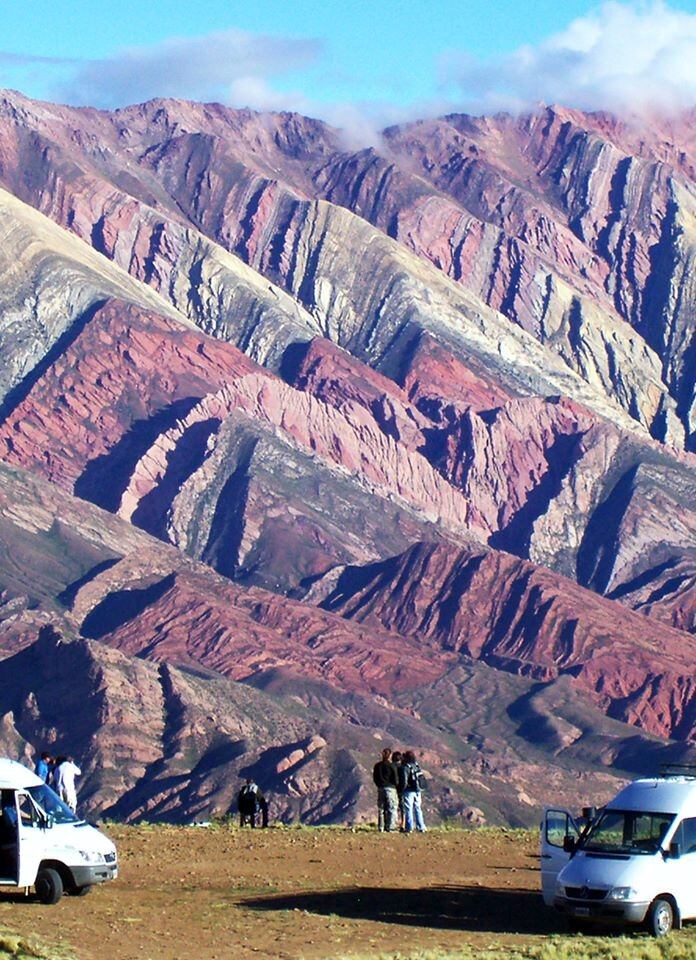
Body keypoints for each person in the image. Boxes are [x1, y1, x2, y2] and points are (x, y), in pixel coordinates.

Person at [372, 747, 399, 832]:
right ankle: (390, 827)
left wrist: (379, 784)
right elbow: (395, 779)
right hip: (390, 788)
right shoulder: (391, 766)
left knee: (381, 808)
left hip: (380, 788)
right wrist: (395, 785)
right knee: (392, 807)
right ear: (390, 755)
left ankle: (381, 827)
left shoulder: (377, 766)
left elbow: (375, 778)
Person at [399, 750, 426, 833]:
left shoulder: (405, 767)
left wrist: (401, 790)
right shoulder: (416, 765)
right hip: (418, 790)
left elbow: (404, 781)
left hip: (409, 790)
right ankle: (421, 827)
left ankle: (409, 827)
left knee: (408, 809)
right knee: (418, 808)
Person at [391, 750, 405, 831]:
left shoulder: (391, 766)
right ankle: (403, 824)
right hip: (401, 790)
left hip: (392, 788)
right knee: (403, 808)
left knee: (392, 807)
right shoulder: (402, 767)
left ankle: (393, 823)